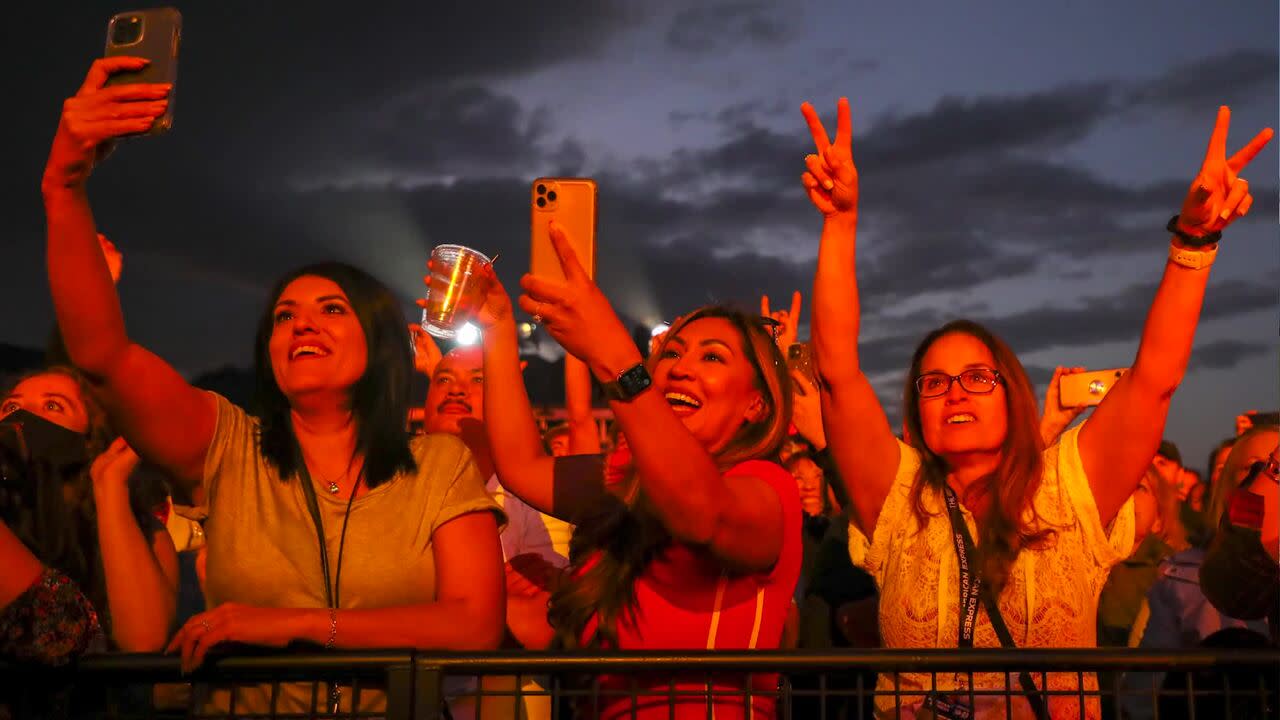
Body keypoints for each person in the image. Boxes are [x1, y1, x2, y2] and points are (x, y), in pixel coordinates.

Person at [41, 57, 504, 715]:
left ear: (379, 347)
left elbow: (473, 625)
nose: (301, 325)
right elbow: (102, 356)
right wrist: (64, 185)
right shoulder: (227, 448)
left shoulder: (439, 466)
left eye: (331, 310)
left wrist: (296, 625)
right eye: (285, 316)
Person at [804, 94, 1271, 719]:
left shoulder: (1069, 489)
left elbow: (1154, 379)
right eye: (934, 383)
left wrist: (1195, 239)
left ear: (1013, 395)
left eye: (976, 376)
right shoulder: (895, 497)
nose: (956, 391)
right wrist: (839, 224)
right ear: (916, 411)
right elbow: (837, 373)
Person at [456, 226, 802, 719]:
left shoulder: (767, 486)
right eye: (674, 354)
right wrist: (497, 329)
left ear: (756, 404)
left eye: (711, 358)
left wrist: (616, 357)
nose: (681, 368)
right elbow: (521, 467)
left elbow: (701, 515)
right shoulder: (625, 478)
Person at [1122, 425, 1278, 719]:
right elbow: (1143, 693)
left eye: (1276, 469)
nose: (1266, 479)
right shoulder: (1178, 578)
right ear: (1225, 488)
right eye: (1253, 468)